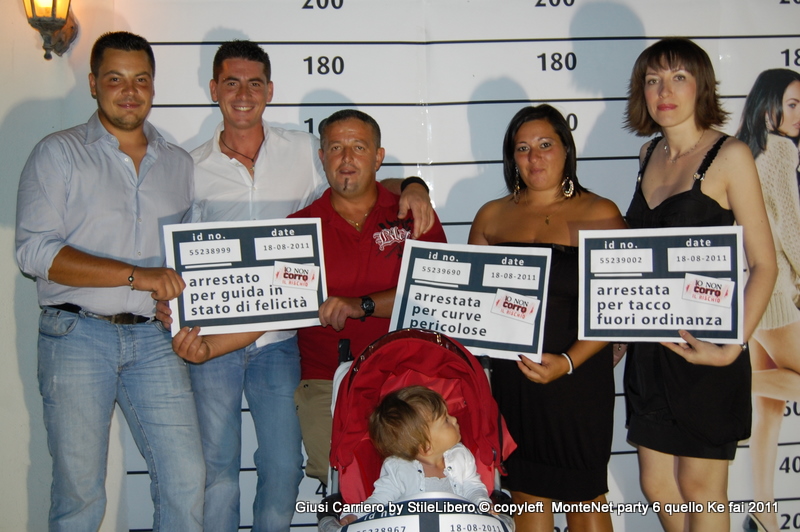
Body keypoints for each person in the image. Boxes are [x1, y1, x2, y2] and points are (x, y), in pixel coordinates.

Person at [167, 41, 436, 531]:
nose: (243, 94)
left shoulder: (302, 152)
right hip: (227, 338)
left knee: (282, 469)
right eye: (232, 82)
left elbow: (365, 181)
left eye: (254, 83)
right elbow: (172, 253)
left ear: (270, 91)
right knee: (218, 469)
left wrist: (416, 185)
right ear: (213, 89)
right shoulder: (187, 165)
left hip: (284, 344)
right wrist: (180, 316)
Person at [14, 32, 205, 531]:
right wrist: (138, 276)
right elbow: (35, 252)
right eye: (116, 79)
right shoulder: (58, 153)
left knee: (186, 480)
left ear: (153, 86)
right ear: (93, 83)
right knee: (79, 493)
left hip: (155, 339)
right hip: (76, 335)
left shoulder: (180, 163)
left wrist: (184, 303)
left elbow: (187, 260)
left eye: (141, 79)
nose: (130, 91)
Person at [622, 38, 777, 532]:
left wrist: (731, 347)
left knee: (700, 489)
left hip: (706, 350)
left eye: (678, 78)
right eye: (653, 80)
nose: (664, 91)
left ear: (701, 86)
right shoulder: (648, 153)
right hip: (651, 351)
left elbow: (764, 264)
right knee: (657, 485)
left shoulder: (730, 155)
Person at [468, 104, 626, 531]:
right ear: (512, 158)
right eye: (522, 148)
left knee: (585, 496)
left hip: (578, 381)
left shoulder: (601, 213)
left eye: (544, 145)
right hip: (514, 381)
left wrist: (569, 362)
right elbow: (475, 305)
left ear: (566, 150)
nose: (534, 157)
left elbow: (617, 310)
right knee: (525, 492)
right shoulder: (491, 216)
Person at [736, 68, 800, 532]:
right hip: (775, 291)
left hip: (750, 291)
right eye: (792, 104)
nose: (799, 115)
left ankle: (764, 513)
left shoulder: (743, 151)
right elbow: (790, 226)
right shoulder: (779, 150)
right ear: (768, 105)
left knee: (769, 413)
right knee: (763, 397)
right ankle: (725, 381)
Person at [338, 385, 491, 526]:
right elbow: (380, 499)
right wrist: (356, 515)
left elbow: (472, 487)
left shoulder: (461, 456)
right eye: (445, 420)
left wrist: (482, 503)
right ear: (426, 446)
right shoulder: (398, 468)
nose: (455, 419)